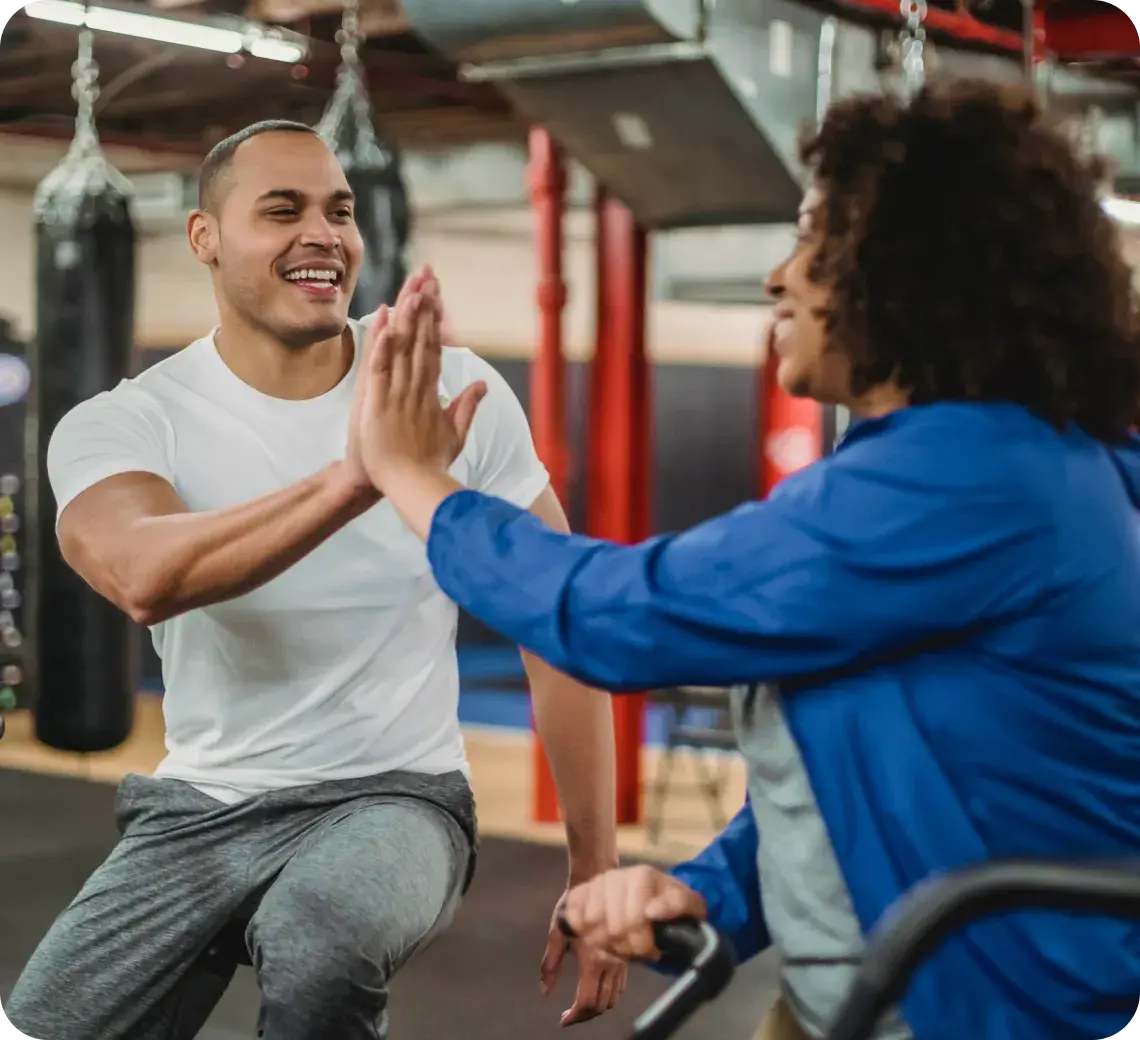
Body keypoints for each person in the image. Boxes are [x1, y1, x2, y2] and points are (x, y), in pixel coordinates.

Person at [340, 80, 1140, 1040]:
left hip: (985, 1015)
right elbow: (858, 778)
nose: (779, 278)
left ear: (912, 268)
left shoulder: (973, 477)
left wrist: (414, 477)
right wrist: (705, 892)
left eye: (812, 240)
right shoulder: (985, 467)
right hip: (874, 994)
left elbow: (619, 616)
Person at [6, 119, 627, 1040]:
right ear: (205, 239)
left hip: (397, 794)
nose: (323, 234)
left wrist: (595, 866)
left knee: (320, 935)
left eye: (340, 210)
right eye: (281, 210)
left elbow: (555, 621)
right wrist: (360, 476)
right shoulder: (127, 422)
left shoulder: (447, 391)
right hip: (201, 807)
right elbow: (144, 572)